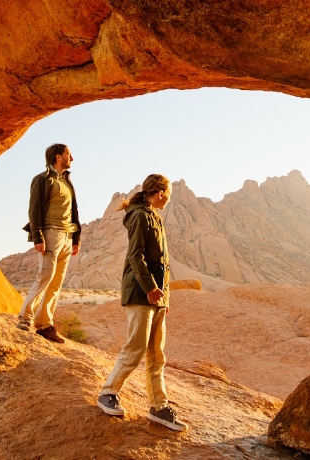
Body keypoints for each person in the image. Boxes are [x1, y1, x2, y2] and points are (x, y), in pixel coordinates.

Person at [96, 174, 188, 432]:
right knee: (135, 348)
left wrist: (163, 297)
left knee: (157, 354)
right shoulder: (139, 216)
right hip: (140, 294)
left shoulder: (153, 216)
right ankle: (107, 392)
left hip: (155, 297)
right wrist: (149, 289)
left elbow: (161, 263)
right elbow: (136, 256)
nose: (169, 199)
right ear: (160, 192)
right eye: (167, 193)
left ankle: (159, 407)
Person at [17, 143, 81, 343]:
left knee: (56, 283)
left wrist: (76, 239)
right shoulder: (42, 180)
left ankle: (45, 324)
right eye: (69, 155)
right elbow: (34, 210)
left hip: (67, 237)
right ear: (58, 157)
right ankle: (25, 318)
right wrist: (38, 237)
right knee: (45, 276)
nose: (73, 158)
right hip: (50, 233)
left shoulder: (67, 182)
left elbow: (74, 212)